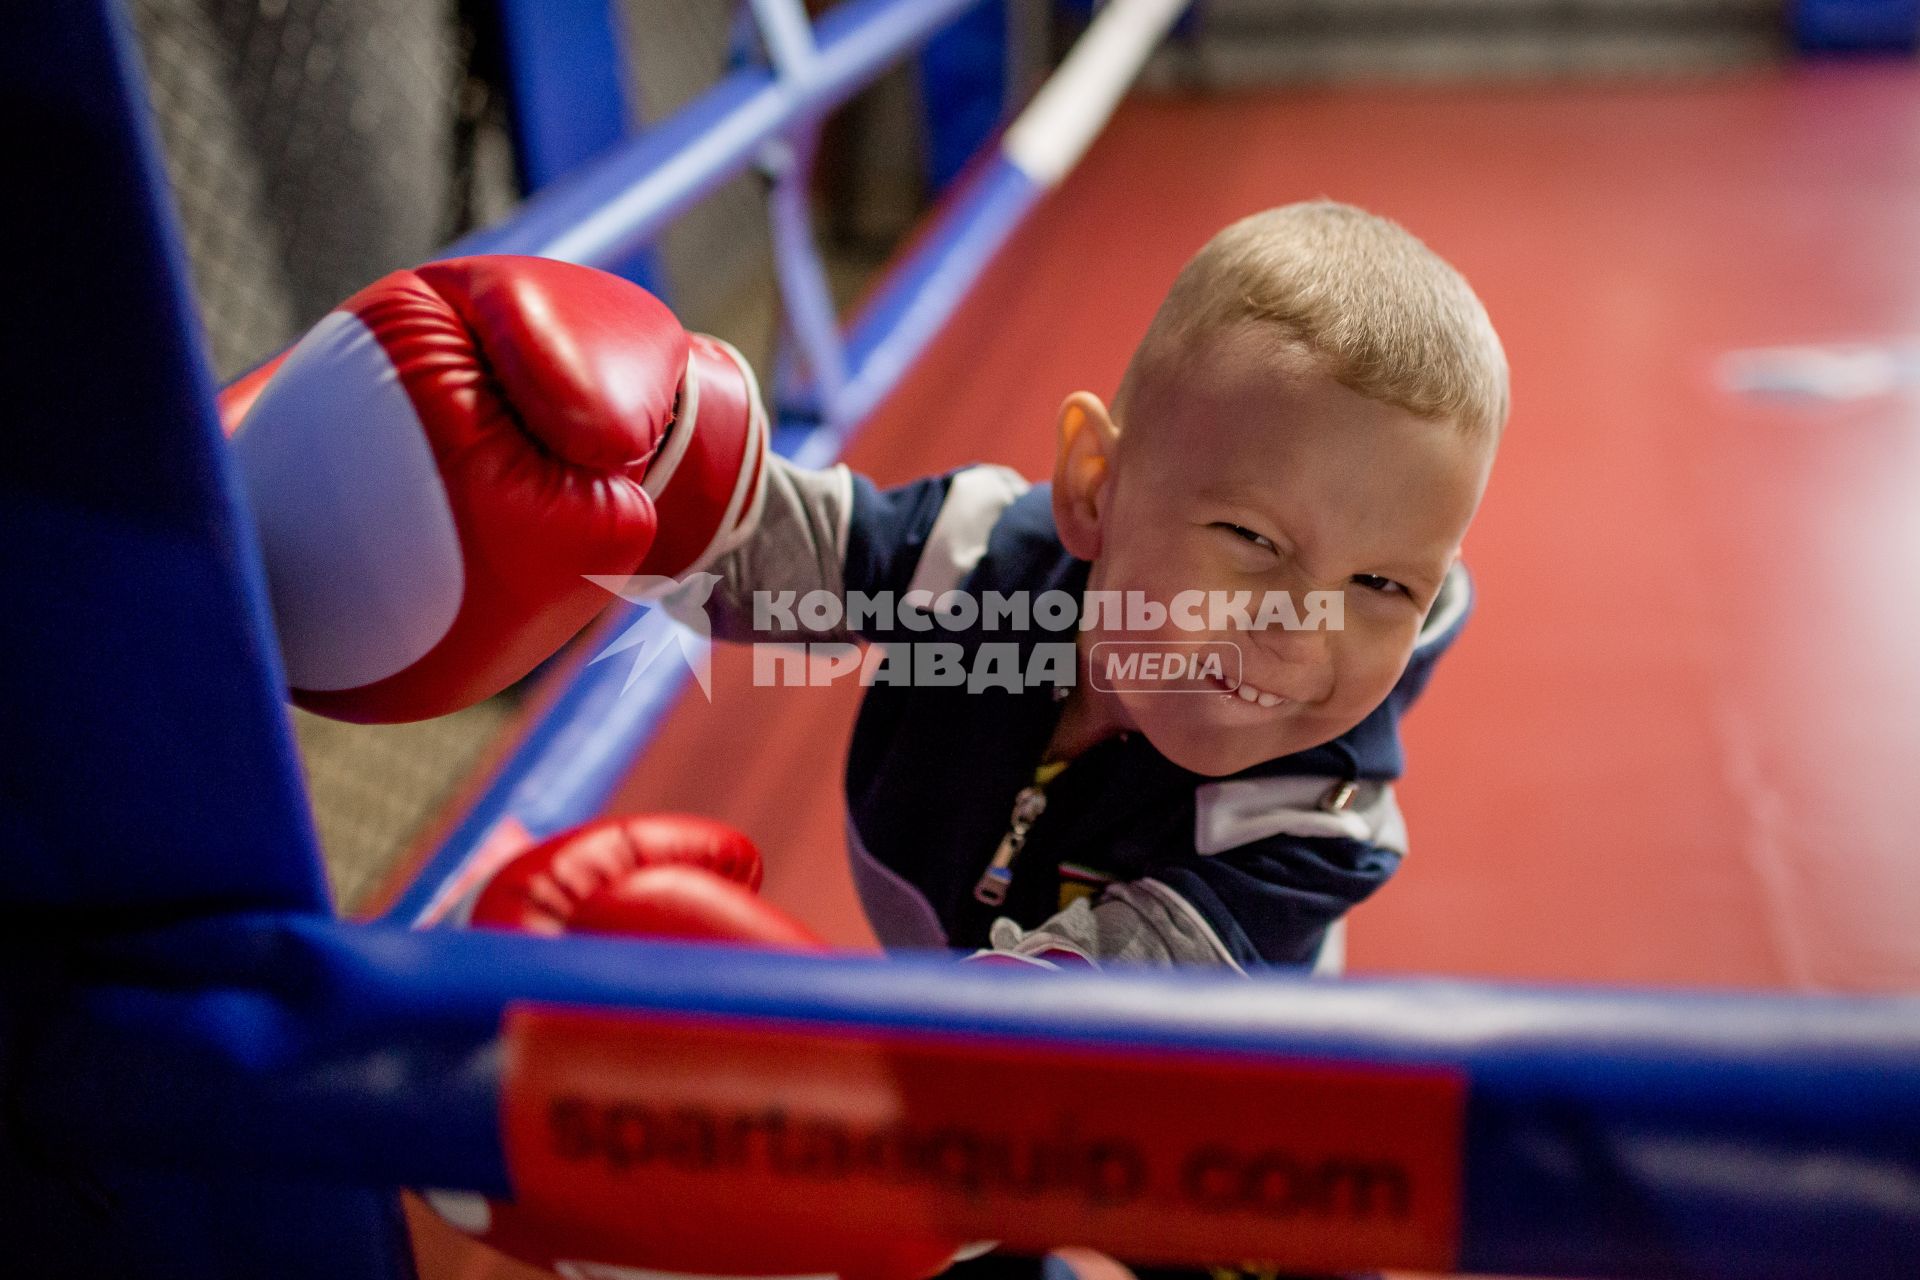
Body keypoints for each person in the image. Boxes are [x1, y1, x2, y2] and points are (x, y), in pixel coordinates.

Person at [674, 199, 1508, 974]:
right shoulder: (975, 558)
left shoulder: (1309, 825)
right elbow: (762, 546)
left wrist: (796, 1034)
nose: (1300, 632)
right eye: (1253, 539)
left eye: (1383, 584)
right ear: (1093, 485)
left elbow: (1066, 1039)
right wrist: (649, 467)